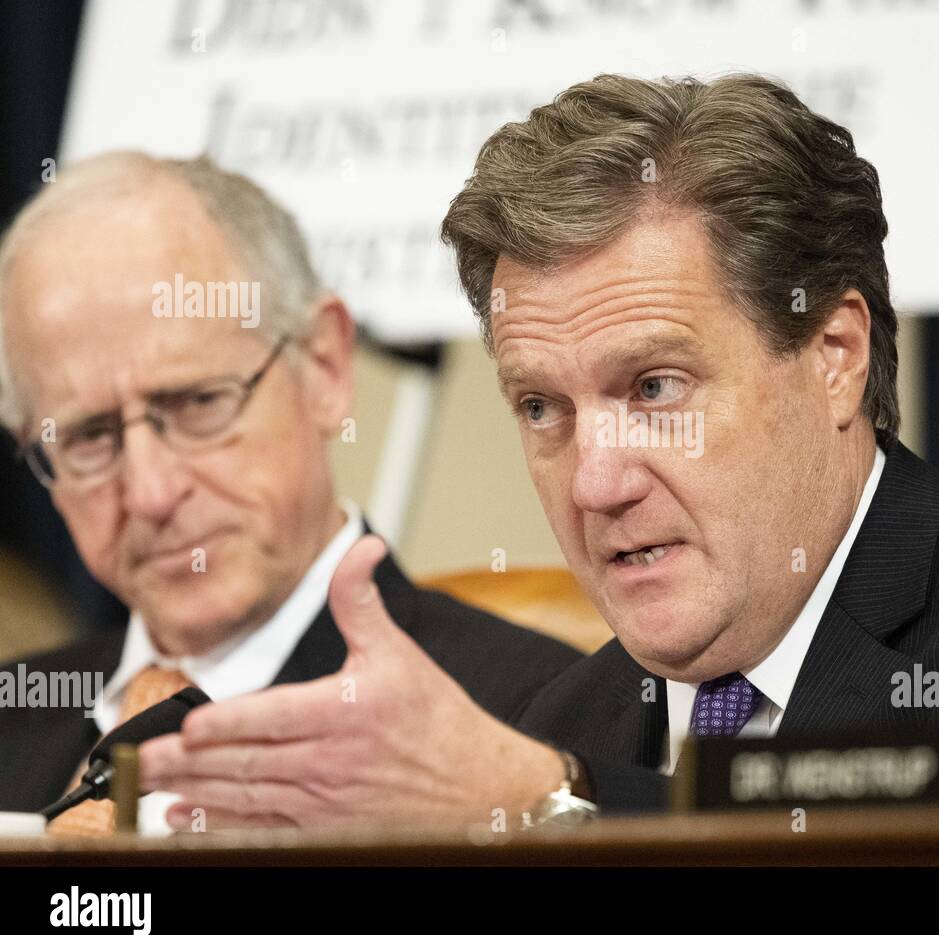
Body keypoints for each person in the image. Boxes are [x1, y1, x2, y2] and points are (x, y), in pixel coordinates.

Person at [138, 74, 939, 829]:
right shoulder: (563, 720)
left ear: (833, 353)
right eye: (543, 407)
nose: (595, 479)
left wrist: (551, 810)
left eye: (654, 387)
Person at [0, 152, 580, 832]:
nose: (152, 493)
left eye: (197, 403)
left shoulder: (537, 726)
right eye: (90, 437)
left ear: (326, 367)